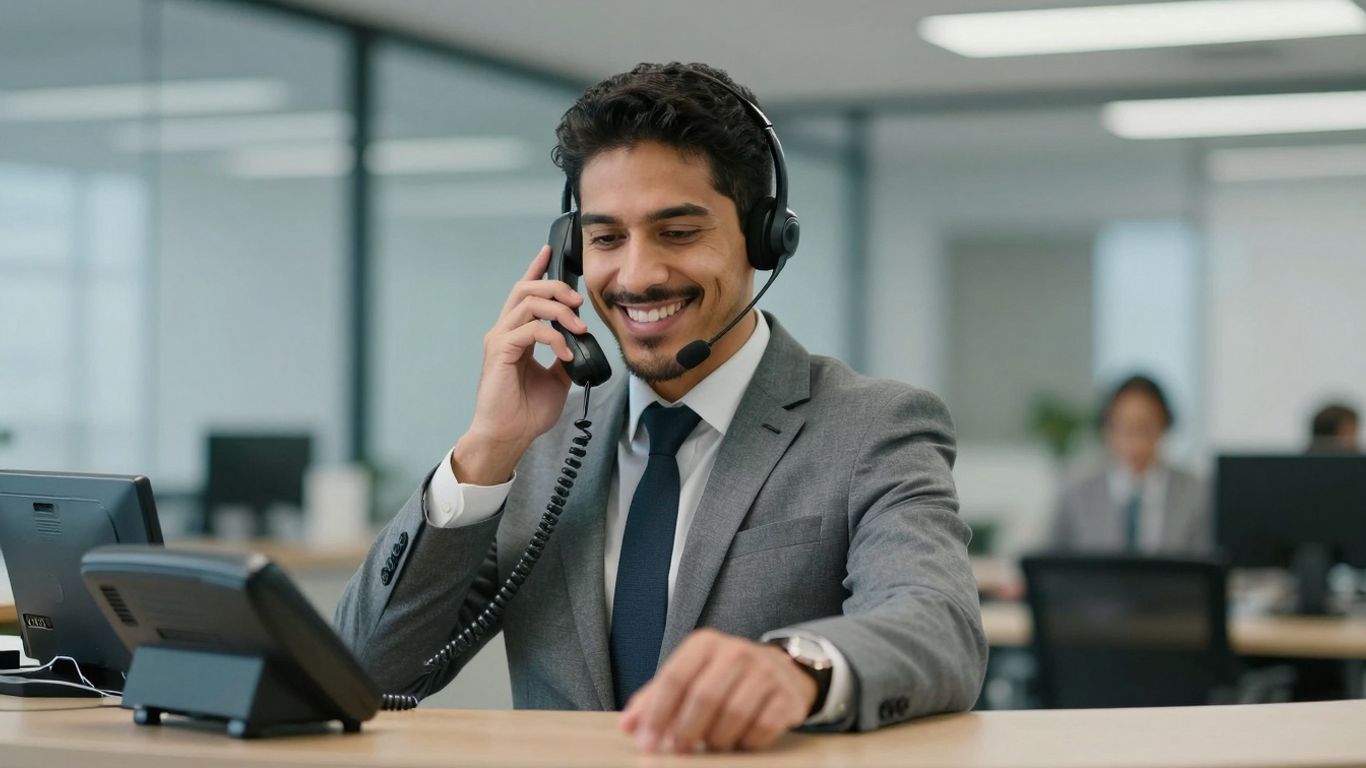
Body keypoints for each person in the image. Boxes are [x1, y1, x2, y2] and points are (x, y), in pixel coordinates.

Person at [335, 62, 985, 753]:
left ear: (765, 239)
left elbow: (936, 622)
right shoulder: (540, 445)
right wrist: (487, 449)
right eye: (607, 238)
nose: (639, 275)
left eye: (677, 232)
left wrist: (795, 669)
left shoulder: (872, 425)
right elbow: (360, 672)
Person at [1049, 374, 1208, 554]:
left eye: (1144, 427)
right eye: (1124, 427)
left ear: (1164, 426)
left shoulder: (1196, 494)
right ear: (1106, 429)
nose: (1135, 441)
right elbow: (1050, 563)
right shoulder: (1075, 493)